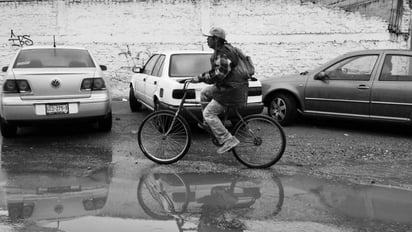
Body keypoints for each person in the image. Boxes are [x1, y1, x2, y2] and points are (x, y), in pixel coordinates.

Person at [190, 27, 249, 154]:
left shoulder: (223, 53)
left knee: (208, 113)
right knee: (205, 93)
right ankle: (208, 124)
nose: (207, 39)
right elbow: (217, 73)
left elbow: (218, 75)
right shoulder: (222, 50)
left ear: (216, 39)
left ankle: (228, 139)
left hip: (231, 90)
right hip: (230, 87)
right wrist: (200, 77)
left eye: (209, 37)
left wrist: (199, 78)